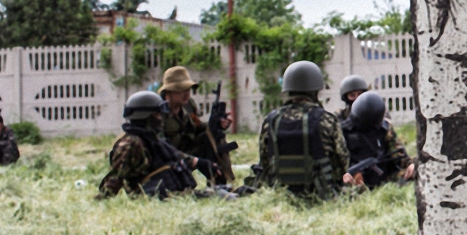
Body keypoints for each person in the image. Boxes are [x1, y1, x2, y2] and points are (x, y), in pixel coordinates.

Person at [253, 60, 351, 199]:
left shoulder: (271, 120)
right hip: (320, 195)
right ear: (315, 91)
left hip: (280, 195)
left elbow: (264, 160)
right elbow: (343, 160)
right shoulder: (326, 119)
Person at [99, 91, 218, 198]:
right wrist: (102, 199)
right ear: (145, 116)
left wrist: (199, 163)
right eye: (157, 115)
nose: (161, 119)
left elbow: (174, 155)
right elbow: (115, 178)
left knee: (221, 193)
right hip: (151, 196)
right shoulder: (130, 144)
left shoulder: (151, 139)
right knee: (215, 196)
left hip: (170, 193)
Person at [159, 66, 232, 184]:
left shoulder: (188, 106)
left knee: (212, 135)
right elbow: (161, 148)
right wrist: (196, 162)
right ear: (169, 92)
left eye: (188, 89)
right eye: (182, 89)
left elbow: (197, 126)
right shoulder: (158, 112)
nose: (187, 93)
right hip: (167, 160)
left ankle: (221, 182)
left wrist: (216, 123)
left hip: (186, 152)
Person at [340, 91, 415, 188]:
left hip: (386, 178)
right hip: (356, 180)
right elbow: (338, 164)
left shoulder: (384, 129)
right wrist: (346, 176)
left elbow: (399, 154)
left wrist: (410, 165)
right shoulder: (343, 132)